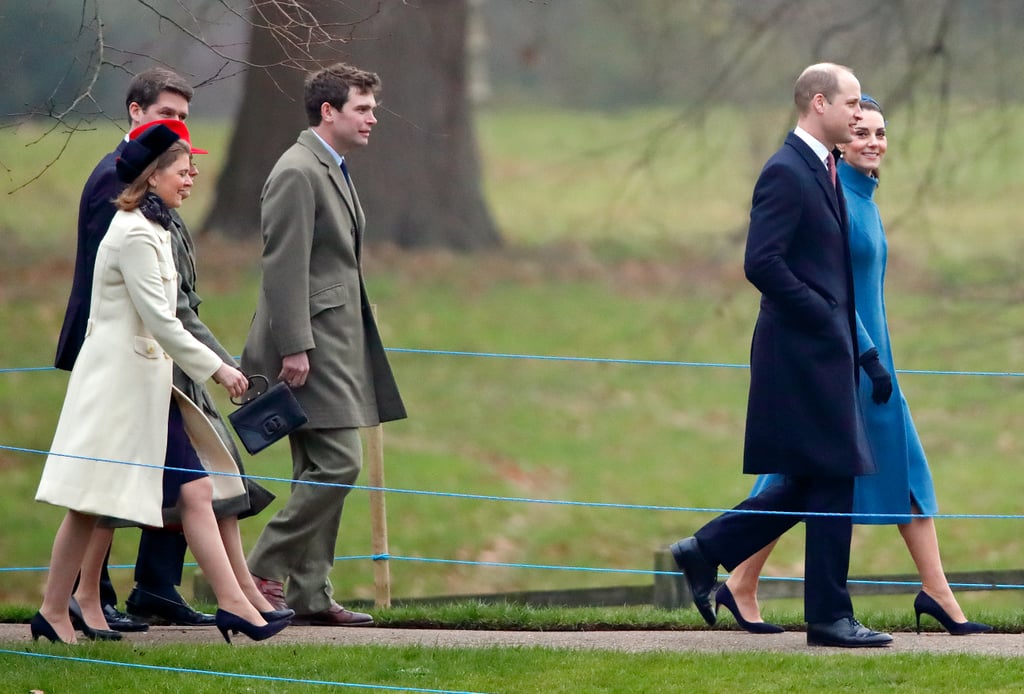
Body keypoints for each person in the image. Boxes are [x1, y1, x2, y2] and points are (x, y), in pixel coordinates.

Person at [717, 96, 991, 636]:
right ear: (839, 139)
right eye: (861, 132)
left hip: (874, 362)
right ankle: (734, 573)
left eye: (881, 133)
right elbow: (834, 293)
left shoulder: (865, 197)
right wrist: (866, 357)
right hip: (853, 363)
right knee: (803, 477)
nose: (873, 142)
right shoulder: (836, 201)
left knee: (892, 470)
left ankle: (935, 592)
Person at [33, 124, 291, 645]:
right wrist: (218, 368)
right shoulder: (132, 232)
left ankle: (236, 606)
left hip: (145, 389)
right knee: (87, 504)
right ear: (153, 176)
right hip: (118, 391)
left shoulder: (153, 227)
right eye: (182, 170)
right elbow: (162, 318)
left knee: (190, 489)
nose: (191, 178)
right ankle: (53, 611)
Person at [666, 63, 893, 648]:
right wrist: (822, 314)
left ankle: (708, 550)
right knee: (835, 473)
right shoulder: (787, 171)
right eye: (849, 105)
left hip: (825, 351)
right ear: (820, 104)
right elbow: (761, 263)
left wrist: (858, 348)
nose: (857, 113)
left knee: (820, 478)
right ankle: (828, 616)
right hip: (800, 354)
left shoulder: (825, 169)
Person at [244, 62, 407, 627]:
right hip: (311, 345)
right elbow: (281, 265)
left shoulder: (329, 165)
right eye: (362, 108)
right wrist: (294, 345)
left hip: (332, 340)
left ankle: (309, 594)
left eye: (372, 108)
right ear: (328, 111)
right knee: (340, 463)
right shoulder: (297, 171)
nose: (372, 118)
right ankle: (258, 568)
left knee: (318, 465)